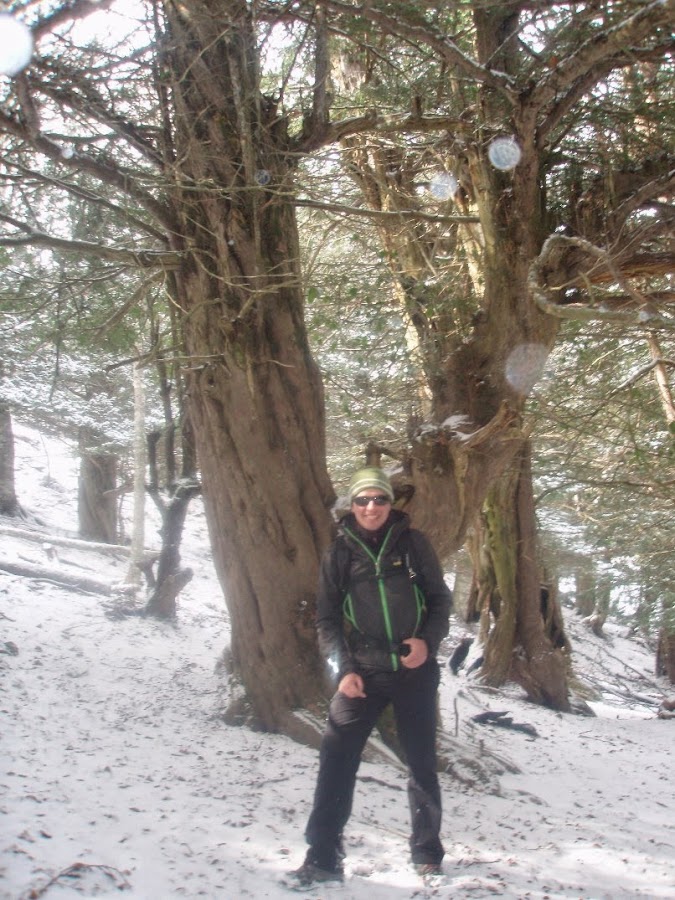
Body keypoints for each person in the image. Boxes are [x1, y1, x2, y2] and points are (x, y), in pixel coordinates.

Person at [291, 466, 453, 887]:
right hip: (361, 672)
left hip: (414, 671)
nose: (371, 507)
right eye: (362, 499)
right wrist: (341, 671)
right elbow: (327, 619)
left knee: (420, 763)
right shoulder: (339, 553)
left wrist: (427, 644)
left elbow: (439, 600)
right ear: (353, 505)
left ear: (390, 503)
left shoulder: (414, 545)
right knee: (336, 759)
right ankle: (323, 856)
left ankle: (427, 852)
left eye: (379, 499)